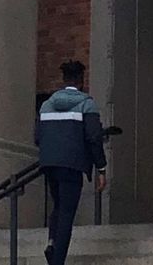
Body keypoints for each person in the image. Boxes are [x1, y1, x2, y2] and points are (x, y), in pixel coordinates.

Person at [35, 59, 107, 265]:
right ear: (81, 81)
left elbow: (38, 137)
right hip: (72, 164)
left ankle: (51, 242)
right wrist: (100, 168)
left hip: (49, 163)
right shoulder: (87, 104)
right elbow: (93, 138)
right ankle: (57, 260)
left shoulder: (47, 105)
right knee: (67, 212)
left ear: (64, 79)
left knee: (57, 206)